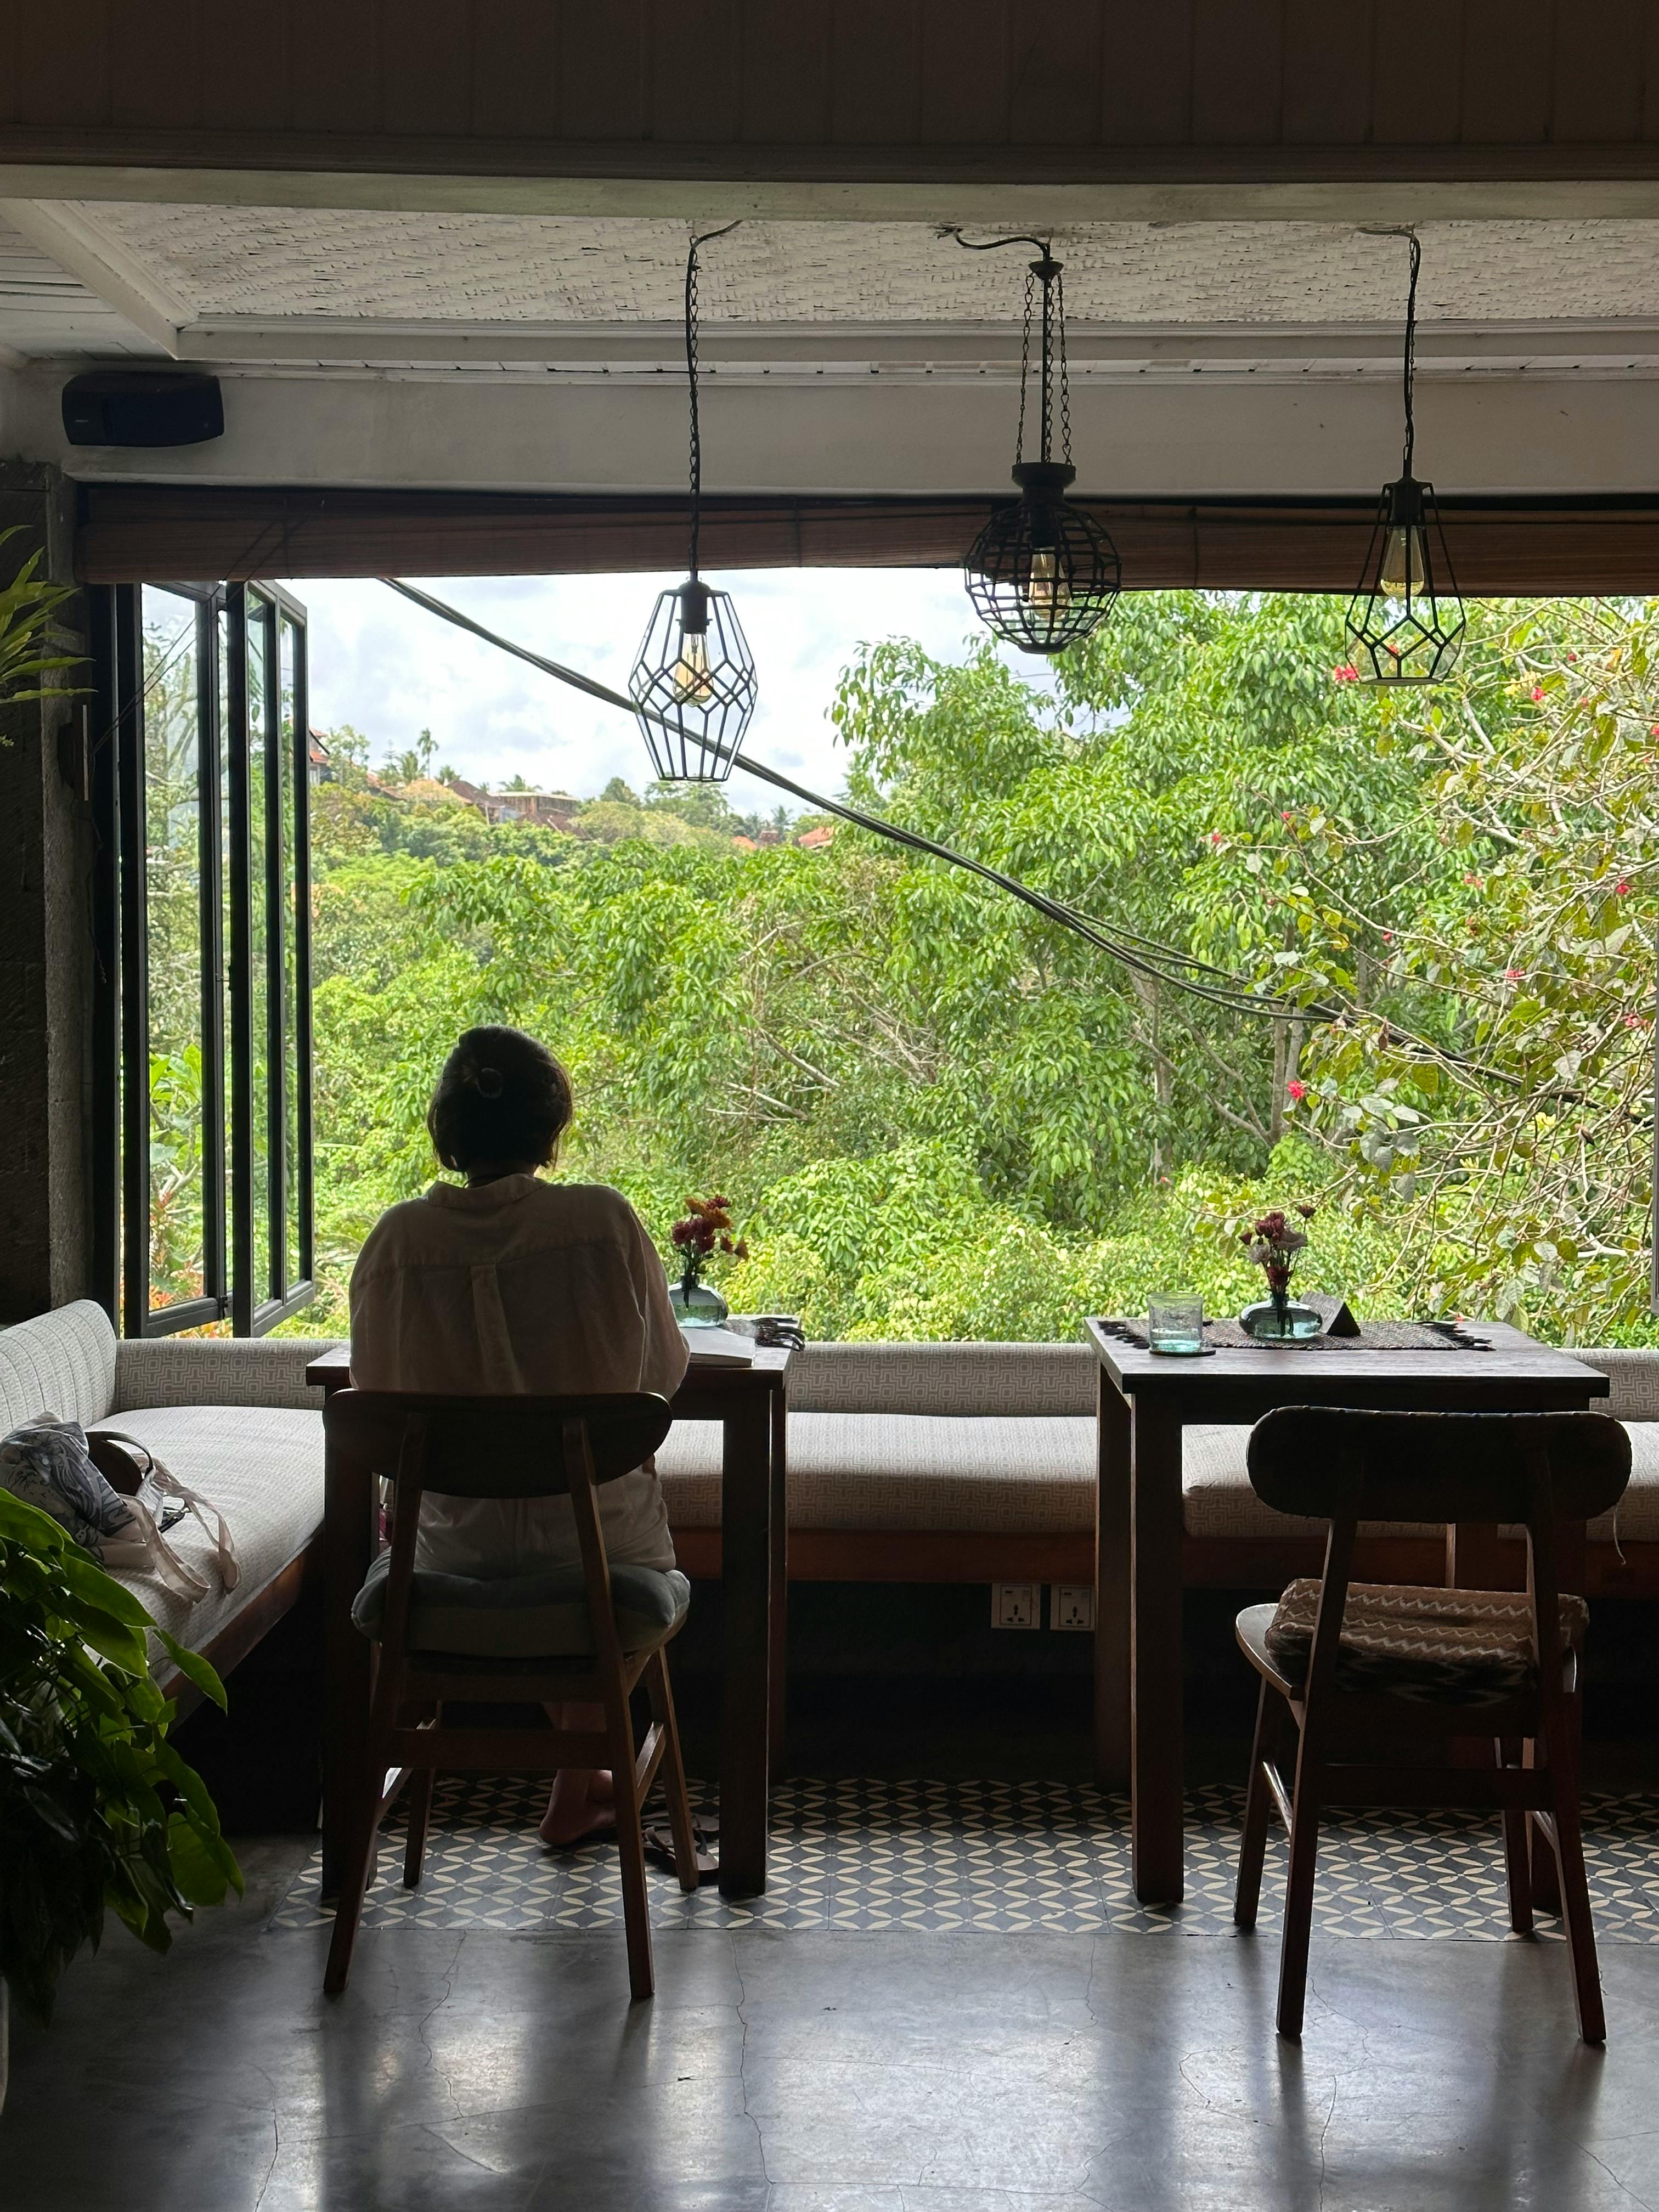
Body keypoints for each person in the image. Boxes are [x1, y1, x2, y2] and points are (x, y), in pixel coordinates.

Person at [349, 1025, 688, 1847]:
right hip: (600, 1556)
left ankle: (578, 1789)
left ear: (448, 1130)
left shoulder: (396, 1244)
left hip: (444, 1561)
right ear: (551, 1126)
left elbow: (374, 1391)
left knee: (552, 1572)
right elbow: (663, 1376)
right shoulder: (603, 1223)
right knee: (596, 1580)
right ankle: (586, 1783)